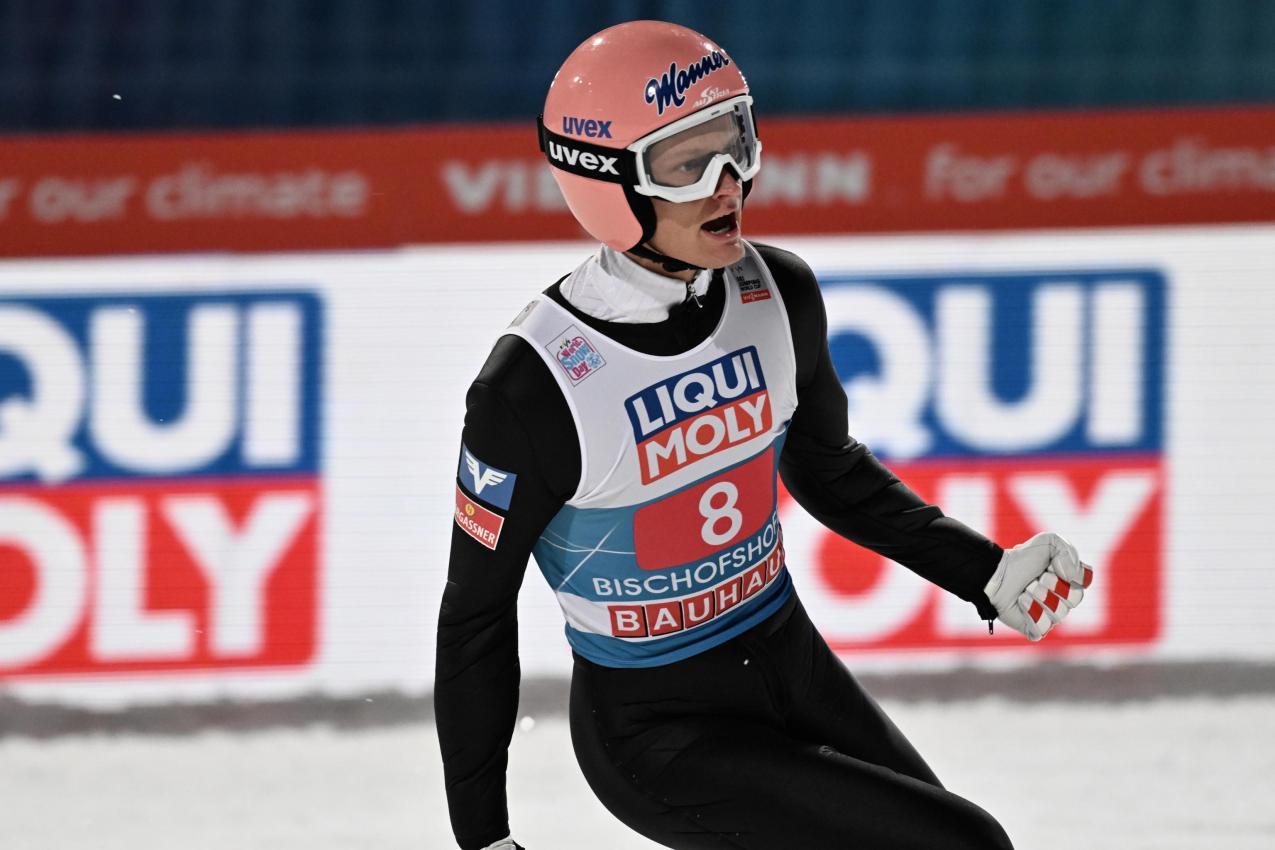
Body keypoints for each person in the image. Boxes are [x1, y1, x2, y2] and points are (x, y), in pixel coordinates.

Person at [435, 20, 1093, 850]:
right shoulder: (534, 387)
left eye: (734, 143)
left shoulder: (777, 292)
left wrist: (984, 572)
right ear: (608, 185)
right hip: (658, 736)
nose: (727, 184)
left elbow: (828, 471)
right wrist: (481, 839)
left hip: (790, 664)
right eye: (686, 163)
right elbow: (475, 620)